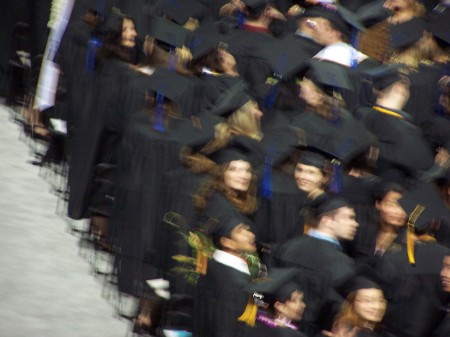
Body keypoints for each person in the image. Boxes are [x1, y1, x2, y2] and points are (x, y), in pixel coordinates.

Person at [275, 196, 359, 336]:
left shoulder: (289, 246)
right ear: (327, 221)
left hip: (281, 327)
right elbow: (339, 308)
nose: (355, 224)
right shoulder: (340, 261)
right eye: (349, 218)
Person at [193, 212, 259, 337]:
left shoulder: (210, 267)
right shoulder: (236, 283)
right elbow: (225, 328)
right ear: (227, 242)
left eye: (248, 230)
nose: (251, 235)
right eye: (241, 231)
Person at [240, 268, 307, 337]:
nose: (303, 305)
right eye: (295, 300)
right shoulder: (290, 335)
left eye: (301, 300)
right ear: (279, 306)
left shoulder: (249, 325)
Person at [323, 276, 389, 337]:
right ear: (352, 302)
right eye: (367, 300)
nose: (377, 306)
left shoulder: (381, 330)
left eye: (381, 300)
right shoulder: (345, 331)